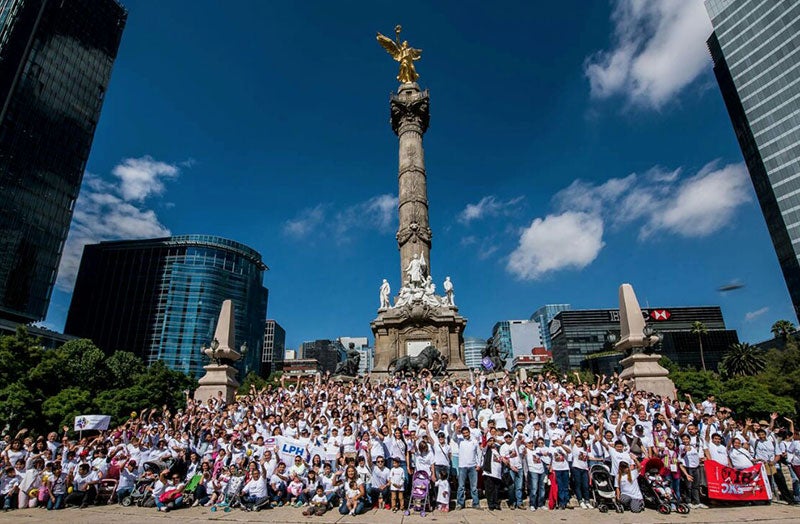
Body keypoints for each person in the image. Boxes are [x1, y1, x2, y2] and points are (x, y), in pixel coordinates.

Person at [454, 426, 480, 509]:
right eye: (464, 433)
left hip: (472, 466)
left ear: (469, 432)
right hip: (462, 466)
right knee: (461, 486)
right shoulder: (460, 441)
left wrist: (479, 464)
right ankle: (460, 503)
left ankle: (475, 503)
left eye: (467, 433)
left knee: (474, 487)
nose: (465, 434)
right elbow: (454, 436)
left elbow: (478, 453)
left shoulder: (474, 441)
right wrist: (456, 429)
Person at [482, 435, 503, 510]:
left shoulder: (498, 449)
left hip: (497, 473)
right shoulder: (486, 450)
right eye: (490, 441)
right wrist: (485, 437)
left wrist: (496, 441)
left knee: (496, 489)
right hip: (489, 472)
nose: (492, 442)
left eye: (493, 441)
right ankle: (490, 504)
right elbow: (483, 446)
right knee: (489, 489)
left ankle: (496, 503)